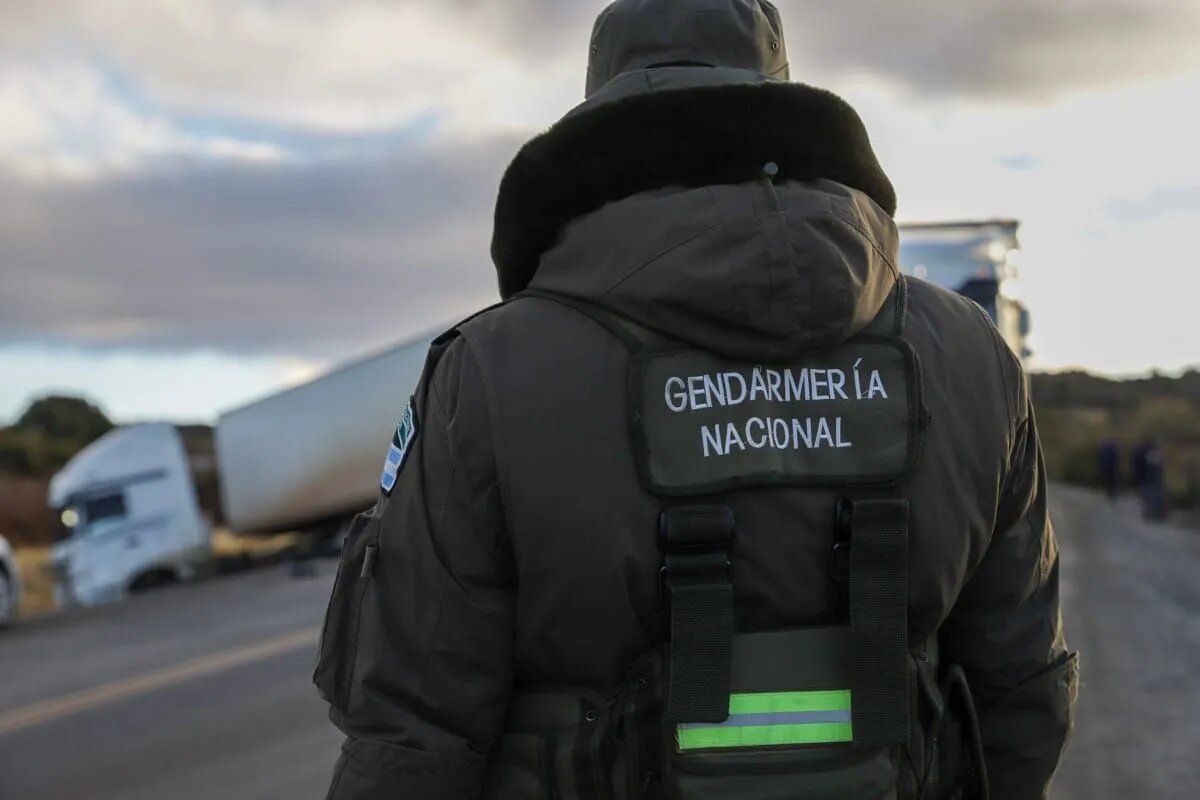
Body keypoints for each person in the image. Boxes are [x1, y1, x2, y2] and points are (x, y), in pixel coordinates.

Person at [314, 2, 1078, 798]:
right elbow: (1022, 693)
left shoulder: (489, 373)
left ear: (602, 104)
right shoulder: (971, 354)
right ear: (776, 94)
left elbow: (410, 733)